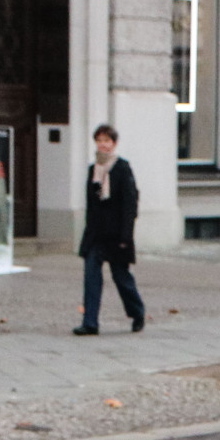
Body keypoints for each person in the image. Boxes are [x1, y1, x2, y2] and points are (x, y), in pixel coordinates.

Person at [75, 125, 145, 336]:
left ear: (114, 143)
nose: (103, 145)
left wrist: (126, 235)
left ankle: (137, 312)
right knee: (91, 277)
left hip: (117, 234)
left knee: (121, 277)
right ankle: (90, 322)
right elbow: (92, 203)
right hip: (97, 233)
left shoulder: (122, 168)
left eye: (107, 141)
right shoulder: (93, 170)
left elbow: (130, 203)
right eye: (99, 141)